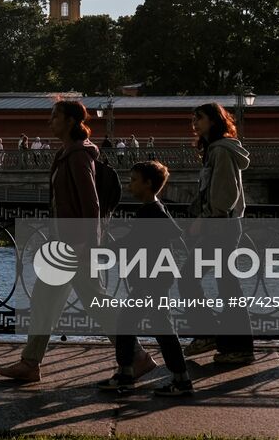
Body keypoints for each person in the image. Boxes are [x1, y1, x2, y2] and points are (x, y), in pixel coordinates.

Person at [0, 100, 151, 383]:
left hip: (76, 246)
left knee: (95, 301)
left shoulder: (79, 156)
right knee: (47, 299)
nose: (49, 122)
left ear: (69, 121)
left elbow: (91, 204)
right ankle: (31, 363)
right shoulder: (69, 153)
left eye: (54, 117)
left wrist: (87, 244)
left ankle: (136, 356)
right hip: (66, 244)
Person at [97, 160, 195, 399]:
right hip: (155, 280)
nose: (130, 185)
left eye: (133, 180)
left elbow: (132, 243)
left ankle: (172, 380)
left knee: (150, 327)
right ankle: (129, 374)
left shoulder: (150, 213)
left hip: (151, 281)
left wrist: (105, 249)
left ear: (148, 183)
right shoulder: (155, 210)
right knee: (139, 325)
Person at [181, 102, 254, 366]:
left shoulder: (220, 150)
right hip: (223, 224)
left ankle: (213, 335)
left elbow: (225, 192)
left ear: (213, 120)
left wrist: (207, 217)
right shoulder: (217, 149)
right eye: (193, 118)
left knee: (191, 278)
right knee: (225, 284)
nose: (194, 123)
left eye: (199, 118)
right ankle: (232, 344)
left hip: (219, 225)